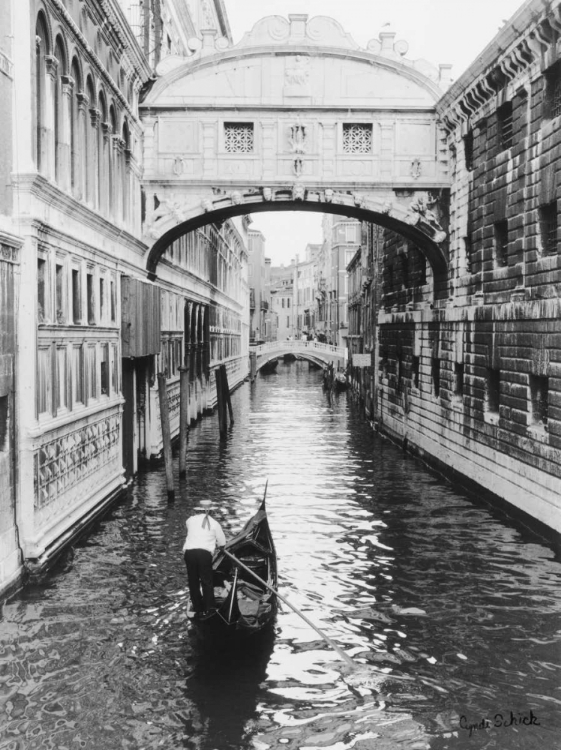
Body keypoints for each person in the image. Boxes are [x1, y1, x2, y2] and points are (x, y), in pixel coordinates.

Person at [183, 505, 226, 619]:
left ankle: (198, 608)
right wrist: (219, 546)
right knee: (206, 581)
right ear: (210, 511)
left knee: (193, 581)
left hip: (189, 553)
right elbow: (222, 543)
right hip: (204, 554)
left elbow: (193, 529)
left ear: (197, 511)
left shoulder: (190, 520)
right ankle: (209, 609)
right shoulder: (215, 523)